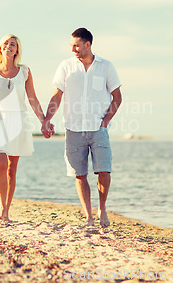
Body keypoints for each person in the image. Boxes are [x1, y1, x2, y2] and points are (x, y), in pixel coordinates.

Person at [42, 28, 122, 228]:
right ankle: (88, 216)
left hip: (98, 128)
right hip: (73, 128)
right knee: (80, 174)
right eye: (71, 46)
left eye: (76, 45)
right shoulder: (66, 66)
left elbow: (117, 97)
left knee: (104, 171)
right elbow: (57, 95)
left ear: (88, 44)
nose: (73, 49)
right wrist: (46, 119)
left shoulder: (106, 67)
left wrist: (105, 120)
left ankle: (102, 209)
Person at [0, 34, 49, 222]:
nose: (9, 46)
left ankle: (6, 210)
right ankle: (1, 207)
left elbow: (32, 99)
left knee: (12, 168)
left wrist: (44, 121)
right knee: (1, 164)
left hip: (18, 122)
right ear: (0, 48)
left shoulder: (24, 71)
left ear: (17, 50)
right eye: (6, 43)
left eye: (13, 44)